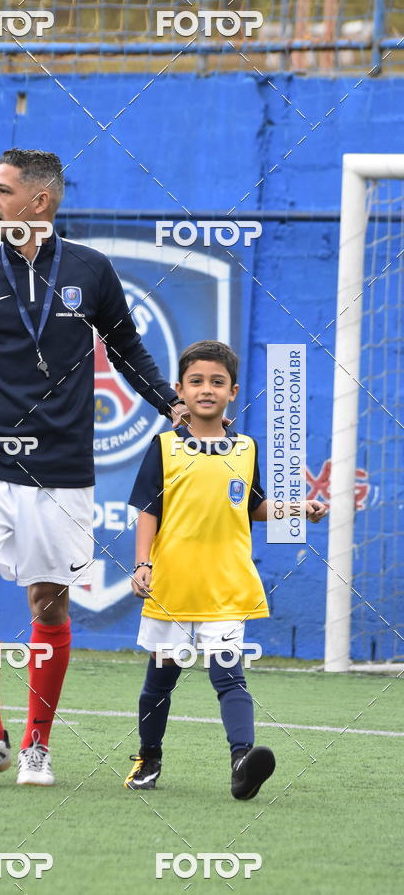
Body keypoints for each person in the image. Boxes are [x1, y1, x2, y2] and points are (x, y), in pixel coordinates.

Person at [0, 149, 188, 787]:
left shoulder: (91, 271)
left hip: (62, 468)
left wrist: (171, 404)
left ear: (38, 202)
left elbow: (128, 350)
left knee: (48, 605)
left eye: (0, 190)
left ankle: (36, 743)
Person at [124, 340, 328, 798]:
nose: (207, 389)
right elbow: (147, 510)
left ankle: (242, 762)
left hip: (225, 584)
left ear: (233, 391)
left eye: (217, 381)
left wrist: (297, 508)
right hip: (173, 583)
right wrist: (143, 563)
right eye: (196, 381)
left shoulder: (246, 447)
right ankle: (149, 758)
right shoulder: (164, 447)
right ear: (180, 390)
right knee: (161, 679)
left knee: (229, 675)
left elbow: (252, 506)